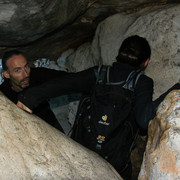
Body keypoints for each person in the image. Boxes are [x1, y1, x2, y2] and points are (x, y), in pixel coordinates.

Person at [17, 35, 180, 179]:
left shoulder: (99, 73)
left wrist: (29, 98)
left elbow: (64, 84)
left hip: (81, 154)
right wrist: (175, 89)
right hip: (114, 164)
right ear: (145, 63)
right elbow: (144, 120)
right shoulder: (142, 83)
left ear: (120, 54)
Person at [0, 50, 69, 133]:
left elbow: (70, 79)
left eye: (26, 67)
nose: (25, 74)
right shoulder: (3, 94)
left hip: (52, 127)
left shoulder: (38, 75)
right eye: (18, 70)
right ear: (7, 74)